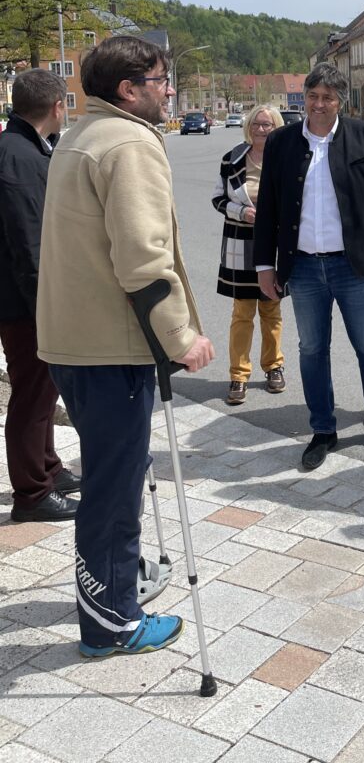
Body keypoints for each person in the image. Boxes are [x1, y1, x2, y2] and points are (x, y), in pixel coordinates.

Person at [36, 36, 214, 659]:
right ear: (128, 89)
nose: (171, 89)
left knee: (114, 475)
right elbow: (143, 260)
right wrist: (183, 339)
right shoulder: (131, 142)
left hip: (72, 341)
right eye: (162, 79)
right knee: (115, 489)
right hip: (111, 346)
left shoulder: (81, 136)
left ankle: (111, 588)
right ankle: (112, 622)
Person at [254, 63, 364, 470]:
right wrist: (265, 265)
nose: (319, 104)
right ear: (304, 98)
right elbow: (266, 207)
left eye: (327, 98)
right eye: (313, 96)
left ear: (341, 101)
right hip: (302, 267)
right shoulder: (283, 142)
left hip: (353, 265)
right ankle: (323, 428)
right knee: (312, 349)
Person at [0, 69, 80, 522]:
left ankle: (47, 469)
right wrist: (43, 307)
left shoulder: (23, 149)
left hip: (26, 297)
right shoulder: (19, 157)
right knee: (32, 395)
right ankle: (31, 494)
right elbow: (28, 242)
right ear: (56, 108)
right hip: (25, 302)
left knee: (42, 392)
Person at [213, 103, 286, 405]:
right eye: (256, 124)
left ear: (276, 127)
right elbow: (218, 199)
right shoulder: (232, 159)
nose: (260, 129)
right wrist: (242, 212)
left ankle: (274, 367)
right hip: (240, 243)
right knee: (242, 313)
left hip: (275, 244)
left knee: (271, 311)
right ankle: (238, 375)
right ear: (248, 127)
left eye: (267, 124)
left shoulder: (286, 159)